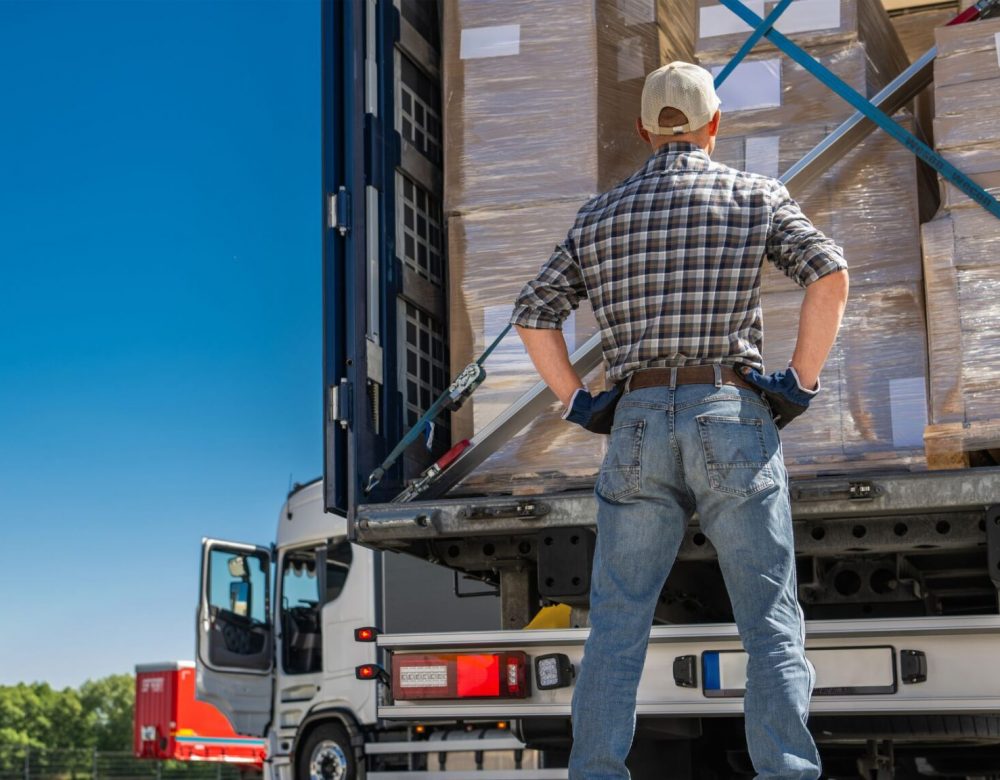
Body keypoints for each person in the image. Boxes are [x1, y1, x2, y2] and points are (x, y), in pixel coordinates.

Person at [509, 62, 850, 779]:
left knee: (618, 623)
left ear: (642, 130)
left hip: (634, 421)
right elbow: (829, 274)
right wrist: (800, 383)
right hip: (729, 412)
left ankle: (597, 771)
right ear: (714, 124)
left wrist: (579, 400)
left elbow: (534, 314)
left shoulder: (598, 217)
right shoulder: (754, 195)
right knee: (769, 620)